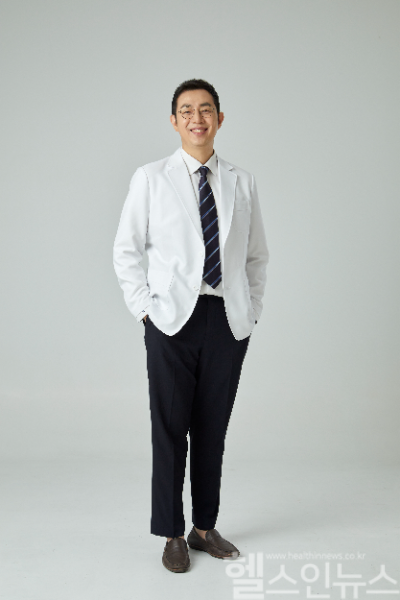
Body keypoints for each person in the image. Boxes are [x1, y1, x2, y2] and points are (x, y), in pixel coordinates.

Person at [113, 78, 269, 573]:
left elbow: (256, 256)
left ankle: (204, 528)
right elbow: (125, 250)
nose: (196, 118)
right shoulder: (151, 178)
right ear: (174, 121)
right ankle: (172, 533)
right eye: (187, 110)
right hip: (170, 320)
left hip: (227, 319)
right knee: (169, 429)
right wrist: (145, 309)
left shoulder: (242, 181)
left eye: (205, 110)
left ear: (219, 119)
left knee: (212, 429)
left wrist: (251, 309)